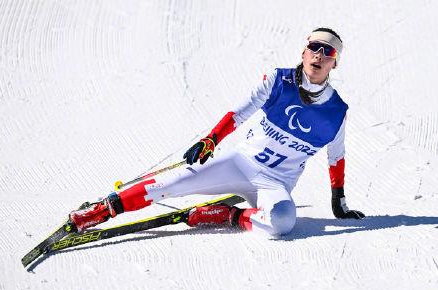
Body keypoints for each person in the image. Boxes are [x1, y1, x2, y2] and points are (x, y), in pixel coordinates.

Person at [69, 27, 365, 237]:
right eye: (315, 47)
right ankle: (100, 211)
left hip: (275, 183)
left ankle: (228, 215)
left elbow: (336, 157)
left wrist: (339, 203)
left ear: (334, 63)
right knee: (170, 184)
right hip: (239, 163)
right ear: (304, 51)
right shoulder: (278, 81)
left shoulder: (336, 111)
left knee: (283, 222)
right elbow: (239, 112)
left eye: (328, 52)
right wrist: (211, 139)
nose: (319, 55)